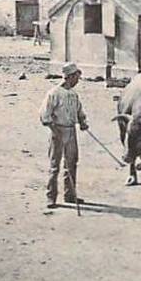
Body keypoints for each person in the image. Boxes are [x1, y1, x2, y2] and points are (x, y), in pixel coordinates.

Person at [38, 62, 89, 208]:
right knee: (55, 166)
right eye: (76, 78)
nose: (78, 81)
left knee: (71, 164)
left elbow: (79, 111)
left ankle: (70, 195)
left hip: (71, 131)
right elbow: (44, 115)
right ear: (70, 77)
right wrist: (54, 129)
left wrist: (82, 121)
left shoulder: (74, 95)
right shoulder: (54, 93)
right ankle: (51, 197)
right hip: (57, 131)